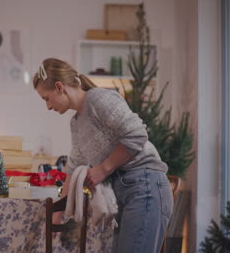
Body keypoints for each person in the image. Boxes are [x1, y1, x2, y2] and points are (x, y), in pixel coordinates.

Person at [33, 58, 173, 253]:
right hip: (126, 193)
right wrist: (57, 216)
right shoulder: (76, 123)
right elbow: (73, 168)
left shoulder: (99, 99)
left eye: (46, 98)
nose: (47, 106)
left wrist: (104, 168)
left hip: (146, 188)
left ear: (59, 87)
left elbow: (137, 134)